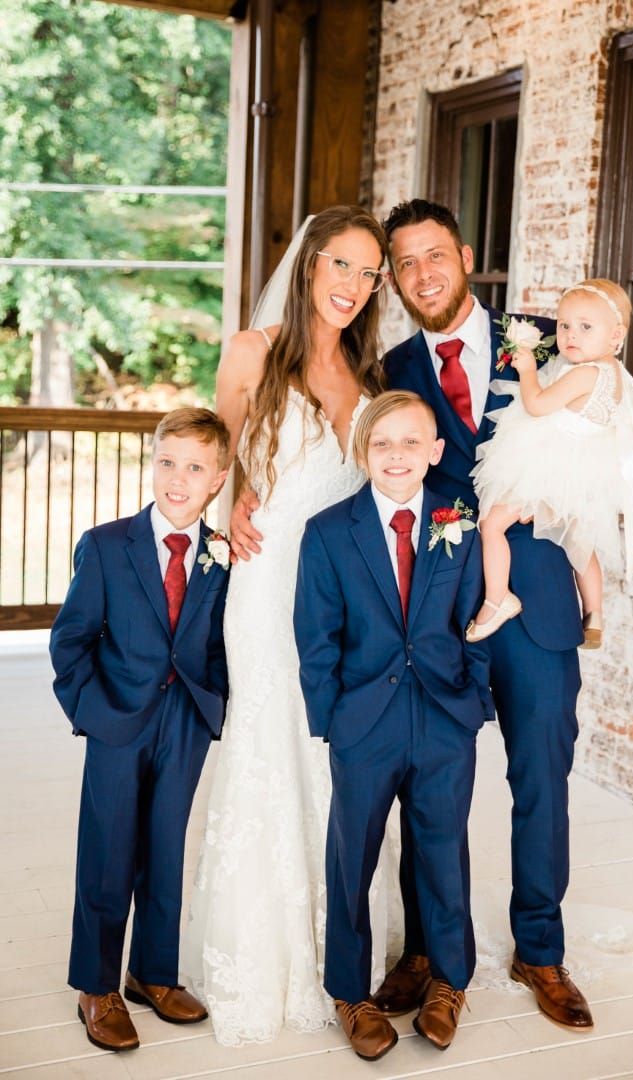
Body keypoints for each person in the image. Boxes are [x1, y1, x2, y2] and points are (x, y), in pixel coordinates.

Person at [377, 198, 593, 1028]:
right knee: (428, 783)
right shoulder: (393, 365)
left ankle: (540, 949)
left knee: (541, 773)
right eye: (406, 263)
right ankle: (430, 946)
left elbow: (608, 430)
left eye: (436, 254)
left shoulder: (549, 336)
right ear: (395, 279)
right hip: (431, 609)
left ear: (466, 254)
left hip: (534, 597)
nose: (423, 273)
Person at [180, 205, 393, 1045]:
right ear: (308, 266)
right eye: (340, 264)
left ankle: (342, 950)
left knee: (340, 762)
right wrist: (225, 512)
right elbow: (213, 460)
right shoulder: (251, 353)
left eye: (368, 273)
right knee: (276, 751)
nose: (353, 285)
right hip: (267, 592)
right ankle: (267, 953)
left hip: (347, 602)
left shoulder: (368, 376)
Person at [294, 391, 493, 1060]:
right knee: (351, 856)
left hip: (443, 715)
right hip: (364, 722)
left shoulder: (458, 520)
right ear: (362, 452)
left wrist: (472, 697)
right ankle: (350, 992)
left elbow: (479, 616)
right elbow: (315, 638)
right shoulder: (329, 531)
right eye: (383, 443)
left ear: (437, 452)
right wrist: (334, 720)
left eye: (413, 442)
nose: (398, 455)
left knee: (443, 847)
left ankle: (449, 978)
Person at [49, 407, 230, 1053]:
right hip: (118, 722)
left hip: (184, 722)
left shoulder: (221, 555)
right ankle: (94, 985)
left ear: (218, 478)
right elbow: (71, 640)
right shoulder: (107, 545)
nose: (177, 480)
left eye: (194, 468)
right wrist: (93, 714)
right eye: (167, 463)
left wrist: (213, 706)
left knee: (165, 849)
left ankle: (151, 972)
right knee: (107, 852)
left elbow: (219, 643)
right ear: (152, 464)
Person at [467, 279, 633, 644]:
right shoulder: (618, 375)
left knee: (492, 524)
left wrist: (527, 368)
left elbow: (538, 405)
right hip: (584, 474)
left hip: (548, 467)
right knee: (581, 544)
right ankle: (594, 613)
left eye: (585, 327)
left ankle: (498, 599)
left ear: (615, 335)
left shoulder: (585, 373)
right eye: (564, 325)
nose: (570, 335)